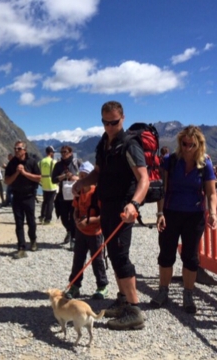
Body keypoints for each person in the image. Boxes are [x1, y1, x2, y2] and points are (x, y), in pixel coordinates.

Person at [72, 100, 149, 331]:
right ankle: (124, 301)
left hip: (124, 210)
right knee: (114, 255)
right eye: (105, 122)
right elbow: (98, 173)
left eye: (113, 122)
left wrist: (134, 204)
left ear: (122, 118)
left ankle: (135, 311)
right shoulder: (103, 144)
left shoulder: (130, 145)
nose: (109, 127)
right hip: (107, 207)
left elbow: (144, 178)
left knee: (121, 257)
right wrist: (82, 183)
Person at [151, 125, 217, 314]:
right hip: (171, 213)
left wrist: (212, 213)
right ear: (180, 142)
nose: (187, 147)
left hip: (194, 215)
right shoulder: (170, 161)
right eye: (184, 143)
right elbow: (162, 190)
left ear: (199, 144)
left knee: (191, 257)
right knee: (166, 254)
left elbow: (211, 193)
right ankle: (163, 291)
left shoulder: (205, 164)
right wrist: (160, 213)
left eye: (191, 144)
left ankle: (188, 294)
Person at [66, 161, 109, 300]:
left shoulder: (97, 193)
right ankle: (74, 286)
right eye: (81, 175)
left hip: (95, 232)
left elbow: (104, 216)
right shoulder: (78, 192)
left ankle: (102, 286)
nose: (83, 178)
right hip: (81, 231)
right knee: (78, 259)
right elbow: (75, 210)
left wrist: (88, 221)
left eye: (86, 175)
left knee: (97, 260)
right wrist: (77, 222)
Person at [4, 141, 41, 259]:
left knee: (31, 221)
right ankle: (21, 248)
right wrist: (16, 173)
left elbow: (39, 178)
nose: (16, 151)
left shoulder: (32, 162)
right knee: (19, 223)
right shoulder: (12, 163)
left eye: (19, 149)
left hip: (29, 196)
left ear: (24, 150)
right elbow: (7, 181)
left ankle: (33, 240)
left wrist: (24, 173)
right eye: (15, 148)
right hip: (17, 197)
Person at [51, 145, 80, 250]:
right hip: (62, 195)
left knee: (73, 217)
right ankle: (69, 230)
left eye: (65, 152)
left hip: (75, 195)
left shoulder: (77, 163)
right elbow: (53, 180)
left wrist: (74, 177)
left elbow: (85, 176)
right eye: (62, 152)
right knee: (63, 217)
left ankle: (73, 239)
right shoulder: (58, 165)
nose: (63, 153)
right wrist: (63, 176)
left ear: (71, 153)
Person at [38, 146, 58, 225]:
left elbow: (37, 171)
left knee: (45, 200)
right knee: (50, 202)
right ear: (51, 152)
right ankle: (48, 219)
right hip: (52, 183)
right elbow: (56, 172)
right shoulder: (53, 162)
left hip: (43, 183)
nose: (53, 154)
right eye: (53, 152)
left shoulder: (41, 162)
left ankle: (42, 216)